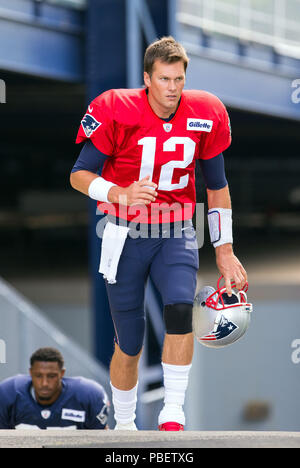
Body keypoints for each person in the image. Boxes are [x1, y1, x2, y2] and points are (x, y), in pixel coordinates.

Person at [70, 36, 247, 431]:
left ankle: (172, 412)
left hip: (177, 229)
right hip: (124, 232)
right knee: (129, 343)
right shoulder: (115, 107)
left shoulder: (206, 111)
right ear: (147, 78)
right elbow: (79, 174)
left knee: (181, 310)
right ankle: (126, 421)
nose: (173, 88)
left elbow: (217, 187)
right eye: (165, 79)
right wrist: (119, 192)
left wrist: (224, 250)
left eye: (179, 79)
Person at [0, 347, 110, 430]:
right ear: (30, 373)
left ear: (62, 373)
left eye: (51, 376)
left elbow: (102, 440)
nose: (44, 383)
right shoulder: (8, 394)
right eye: (38, 375)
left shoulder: (88, 395)